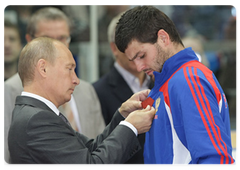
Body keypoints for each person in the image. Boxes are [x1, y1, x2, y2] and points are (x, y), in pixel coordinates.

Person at [115, 5, 236, 165]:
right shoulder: (168, 82)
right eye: (134, 60)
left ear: (163, 38)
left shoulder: (188, 80)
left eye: (142, 55)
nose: (139, 67)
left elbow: (215, 160)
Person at [8, 37, 156, 164]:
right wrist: (131, 126)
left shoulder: (35, 114)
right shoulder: (37, 119)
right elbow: (91, 164)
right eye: (69, 69)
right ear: (43, 68)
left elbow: (91, 149)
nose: (76, 80)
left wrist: (123, 116)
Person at [5, 7, 105, 139]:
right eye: (46, 39)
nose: (56, 45)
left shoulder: (86, 90)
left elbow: (101, 143)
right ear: (29, 40)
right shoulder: (9, 91)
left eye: (62, 38)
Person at [93, 12, 153, 164]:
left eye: (141, 43)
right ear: (114, 48)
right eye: (128, 45)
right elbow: (98, 147)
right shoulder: (97, 92)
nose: (136, 53)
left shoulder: (159, 84)